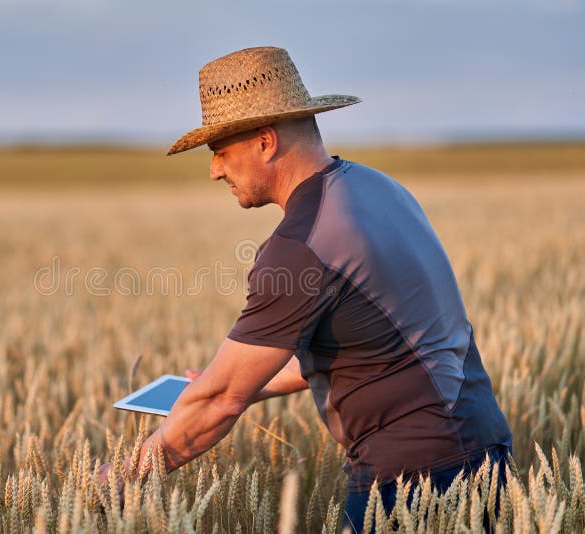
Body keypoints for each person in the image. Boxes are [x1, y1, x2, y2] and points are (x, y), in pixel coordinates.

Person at [98, 46, 513, 532]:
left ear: (266, 143)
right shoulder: (380, 189)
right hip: (485, 456)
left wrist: (124, 475)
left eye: (221, 153)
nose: (214, 171)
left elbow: (218, 403)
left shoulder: (300, 245)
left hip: (410, 483)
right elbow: (372, 342)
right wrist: (245, 383)